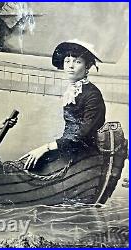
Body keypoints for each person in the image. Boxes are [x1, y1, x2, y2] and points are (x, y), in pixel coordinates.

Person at [20, 39, 106, 169]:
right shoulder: (73, 92)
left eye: (77, 62)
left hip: (85, 155)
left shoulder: (92, 94)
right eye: (67, 61)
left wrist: (47, 147)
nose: (70, 66)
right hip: (69, 148)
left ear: (87, 66)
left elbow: (83, 133)